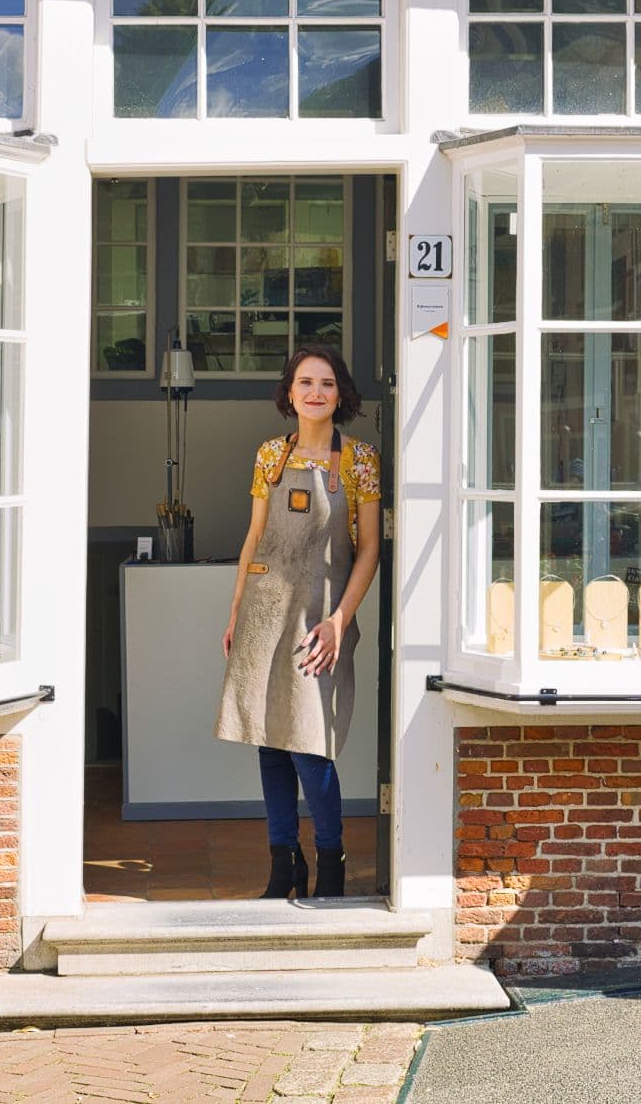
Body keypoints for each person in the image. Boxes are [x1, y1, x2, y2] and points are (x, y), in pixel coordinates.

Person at [217, 345, 381, 900]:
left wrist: (340, 620)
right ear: (289, 392)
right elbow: (255, 536)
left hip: (320, 616)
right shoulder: (269, 455)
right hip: (266, 609)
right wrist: (238, 609)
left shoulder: (359, 459)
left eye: (327, 383)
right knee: (269, 739)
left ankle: (330, 860)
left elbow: (370, 549)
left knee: (310, 743)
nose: (316, 392)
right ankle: (283, 865)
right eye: (305, 382)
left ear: (341, 394)